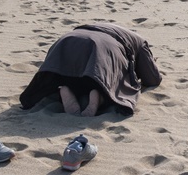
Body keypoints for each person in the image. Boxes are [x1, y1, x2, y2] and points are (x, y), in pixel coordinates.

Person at [19, 23, 162, 116]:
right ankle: (98, 97)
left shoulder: (100, 26)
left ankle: (66, 89)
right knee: (106, 82)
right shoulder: (140, 42)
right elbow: (152, 78)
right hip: (103, 47)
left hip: (68, 40)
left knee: (71, 73)